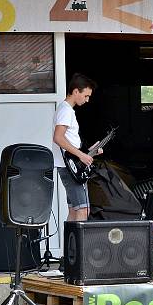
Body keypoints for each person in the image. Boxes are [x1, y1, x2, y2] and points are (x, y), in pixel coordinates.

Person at [53, 73, 97, 222]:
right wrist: (82, 155)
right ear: (76, 91)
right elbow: (58, 137)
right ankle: (78, 246)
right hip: (69, 167)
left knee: (74, 210)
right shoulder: (66, 110)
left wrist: (89, 151)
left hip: (68, 166)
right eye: (86, 96)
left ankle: (70, 245)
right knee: (83, 210)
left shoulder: (66, 110)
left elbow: (68, 141)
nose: (87, 100)